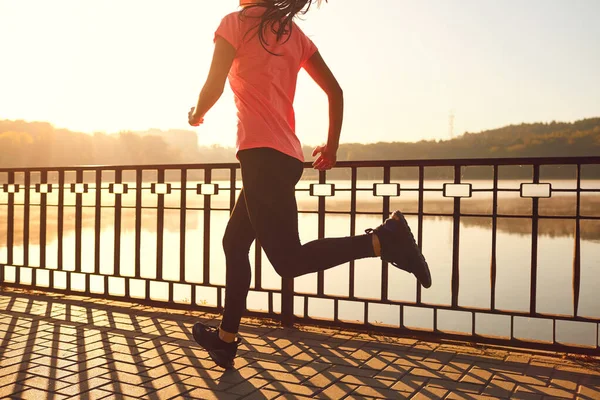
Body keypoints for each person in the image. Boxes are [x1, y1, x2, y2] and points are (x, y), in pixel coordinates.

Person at [187, 0, 431, 369]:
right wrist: (331, 146)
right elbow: (336, 92)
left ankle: (384, 239)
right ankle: (225, 340)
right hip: (286, 156)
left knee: (287, 261)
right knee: (234, 243)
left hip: (261, 157)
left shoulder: (234, 24)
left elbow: (214, 86)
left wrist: (197, 112)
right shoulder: (293, 34)